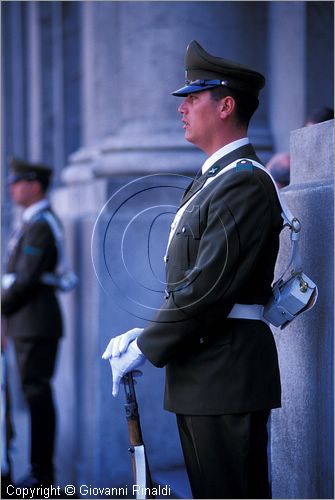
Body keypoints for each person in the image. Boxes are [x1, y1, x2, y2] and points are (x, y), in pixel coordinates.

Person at [103, 40, 282, 499]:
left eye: (193, 97)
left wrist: (147, 342)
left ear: (226, 105)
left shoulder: (243, 181)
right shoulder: (213, 180)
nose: (182, 108)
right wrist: (146, 333)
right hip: (204, 373)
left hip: (226, 374)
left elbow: (207, 288)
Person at [1, 158, 63, 488]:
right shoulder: (30, 222)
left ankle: (42, 476)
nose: (11, 187)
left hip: (35, 323)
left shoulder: (40, 224)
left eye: (18, 181)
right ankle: (40, 472)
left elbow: (25, 280)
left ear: (35, 185)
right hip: (26, 322)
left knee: (37, 396)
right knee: (33, 395)